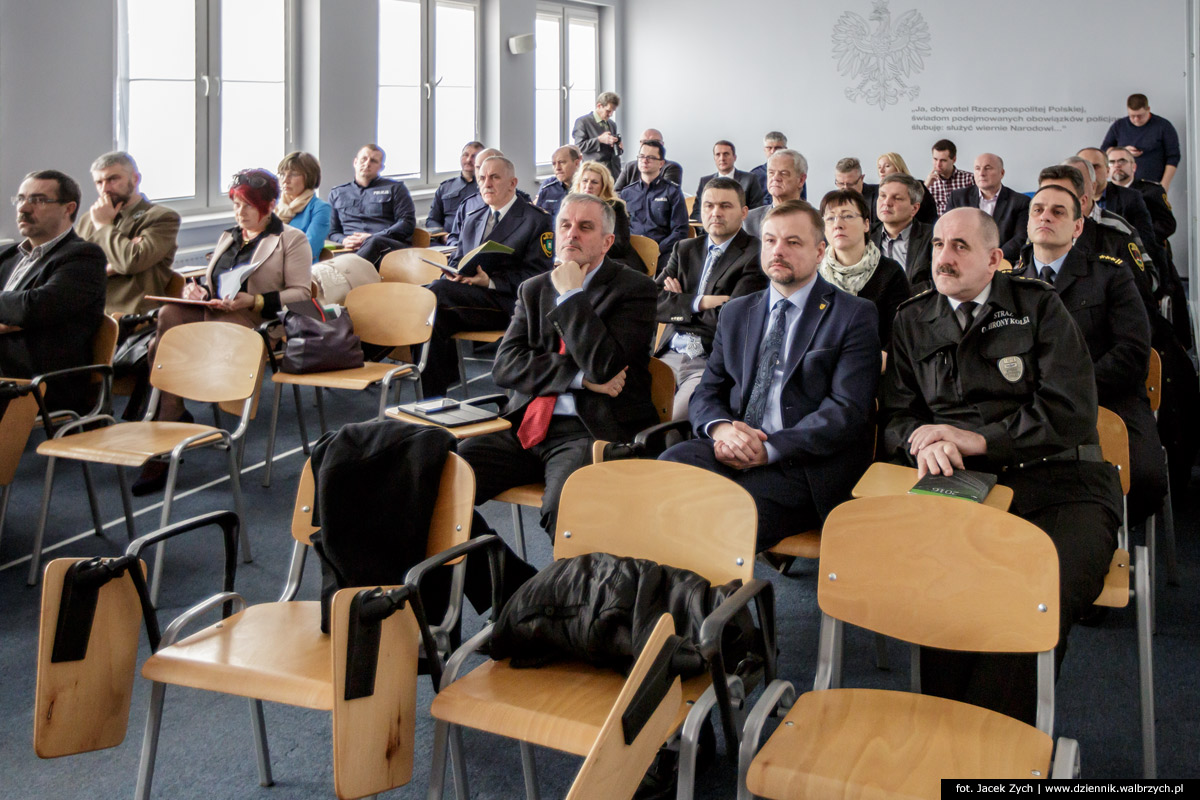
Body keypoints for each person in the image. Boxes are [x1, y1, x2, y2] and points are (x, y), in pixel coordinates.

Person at [880, 207, 1120, 726]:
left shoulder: (1040, 307)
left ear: (994, 259)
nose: (943, 257)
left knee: (1031, 598)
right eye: (939, 244)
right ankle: (951, 742)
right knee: (939, 594)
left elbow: (1071, 411)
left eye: (960, 247)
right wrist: (918, 437)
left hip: (1062, 481)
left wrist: (978, 440)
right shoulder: (912, 319)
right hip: (963, 486)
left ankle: (991, 751)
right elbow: (897, 416)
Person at [456, 192, 658, 610]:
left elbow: (607, 366)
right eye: (565, 225)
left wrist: (571, 298)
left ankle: (577, 615)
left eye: (585, 228)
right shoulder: (533, 289)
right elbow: (506, 366)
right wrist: (578, 377)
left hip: (590, 429)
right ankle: (512, 589)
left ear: (606, 241)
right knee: (446, 479)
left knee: (563, 506)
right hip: (527, 423)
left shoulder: (635, 289)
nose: (571, 235)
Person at [659, 201, 880, 551]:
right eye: (770, 240)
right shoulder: (736, 311)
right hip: (732, 449)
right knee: (666, 472)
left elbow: (846, 410)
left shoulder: (854, 314)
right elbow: (708, 391)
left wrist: (770, 449)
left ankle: (708, 601)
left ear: (820, 251)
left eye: (793, 242)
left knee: (719, 518)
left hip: (801, 464)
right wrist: (723, 430)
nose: (778, 250)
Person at [135, 168, 312, 492]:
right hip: (216, 312)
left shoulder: (291, 239)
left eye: (247, 205)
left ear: (270, 205)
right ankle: (170, 415)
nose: (239, 212)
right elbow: (212, 282)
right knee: (170, 313)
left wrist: (255, 299)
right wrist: (198, 291)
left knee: (169, 347)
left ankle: (168, 422)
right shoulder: (228, 236)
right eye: (235, 204)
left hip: (256, 322)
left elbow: (301, 295)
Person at [1013, 185, 1166, 522]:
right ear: (1027, 223)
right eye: (1037, 210)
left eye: (1058, 211)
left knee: (1144, 478)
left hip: (1108, 397)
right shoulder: (1009, 283)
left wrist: (1070, 388)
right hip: (1030, 403)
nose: (1045, 217)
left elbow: (1132, 353)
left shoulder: (1110, 274)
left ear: (1078, 227)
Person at [421, 156, 554, 397]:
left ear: (513, 183)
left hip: (510, 303)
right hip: (469, 298)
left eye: (494, 177)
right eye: (482, 178)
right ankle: (432, 398)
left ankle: (432, 389)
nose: (486, 184)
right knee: (430, 306)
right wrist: (454, 274)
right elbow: (457, 260)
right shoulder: (474, 217)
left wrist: (490, 282)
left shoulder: (537, 220)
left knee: (435, 294)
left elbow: (539, 277)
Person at [656, 177, 766, 420]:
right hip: (668, 355)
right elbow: (652, 301)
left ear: (744, 212)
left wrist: (679, 301)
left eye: (725, 206)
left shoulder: (755, 254)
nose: (716, 212)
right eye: (709, 205)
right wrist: (699, 302)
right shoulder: (684, 249)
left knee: (672, 420)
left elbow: (730, 319)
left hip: (708, 361)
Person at [1, 170, 105, 413]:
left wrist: (21, 314)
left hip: (42, 380)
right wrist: (13, 315)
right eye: (21, 199)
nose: (23, 209)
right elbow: (23, 309)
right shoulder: (8, 255)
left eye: (38, 200)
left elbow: (34, 307)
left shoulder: (82, 257)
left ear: (68, 208)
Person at [75, 151, 180, 315]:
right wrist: (112, 267)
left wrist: (103, 226)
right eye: (99, 182)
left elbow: (130, 262)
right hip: (86, 309)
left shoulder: (161, 217)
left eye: (113, 179)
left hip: (130, 315)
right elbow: (73, 270)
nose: (105, 189)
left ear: (135, 179)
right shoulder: (89, 218)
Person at [819, 189, 909, 355]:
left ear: (866, 224)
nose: (838, 224)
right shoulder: (814, 273)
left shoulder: (890, 272)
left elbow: (897, 338)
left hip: (874, 365)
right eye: (830, 218)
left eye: (847, 216)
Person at [327, 144, 415, 266]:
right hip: (349, 249)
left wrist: (372, 237)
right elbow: (332, 231)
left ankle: (343, 272)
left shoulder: (396, 188)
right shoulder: (337, 193)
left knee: (374, 241)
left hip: (386, 247)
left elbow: (407, 223)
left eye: (373, 161)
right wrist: (344, 240)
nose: (367, 164)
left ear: (381, 167)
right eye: (364, 159)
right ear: (355, 162)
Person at [618, 139, 689, 273]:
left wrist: (658, 249)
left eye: (651, 158)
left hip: (662, 251)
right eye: (642, 156)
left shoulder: (672, 191)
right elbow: (621, 228)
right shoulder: (627, 193)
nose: (645, 161)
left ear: (661, 163)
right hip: (632, 251)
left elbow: (680, 230)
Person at [946, 153, 1029, 263]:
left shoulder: (1020, 202)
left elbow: (1020, 238)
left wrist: (992, 258)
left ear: (1002, 173)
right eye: (977, 168)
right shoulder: (958, 198)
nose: (981, 173)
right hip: (963, 260)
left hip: (1001, 262)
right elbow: (947, 231)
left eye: (988, 168)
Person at [1076, 147, 1157, 251]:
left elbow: (1145, 240)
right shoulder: (1068, 200)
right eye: (1085, 168)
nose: (1090, 173)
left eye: (1095, 167)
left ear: (1107, 171)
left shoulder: (1130, 198)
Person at [1100, 93, 1180, 191]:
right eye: (1132, 116)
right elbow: (1104, 151)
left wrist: (1164, 185)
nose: (1136, 119)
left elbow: (1173, 157)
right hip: (1123, 186)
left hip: (1152, 184)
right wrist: (1124, 151)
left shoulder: (1163, 126)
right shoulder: (1119, 125)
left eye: (1140, 116)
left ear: (1148, 109)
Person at [570, 160, 637, 270]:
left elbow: (620, 245)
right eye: (585, 181)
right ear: (579, 184)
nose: (588, 186)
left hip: (616, 261)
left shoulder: (615, 207)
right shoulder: (571, 207)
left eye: (594, 182)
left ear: (603, 186)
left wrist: (588, 252)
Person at [870, 174, 933, 290]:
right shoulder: (864, 236)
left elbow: (935, 284)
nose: (887, 203)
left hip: (916, 304)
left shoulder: (932, 237)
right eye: (883, 196)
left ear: (914, 208)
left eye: (897, 198)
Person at [1107, 146, 1176, 247]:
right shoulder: (1102, 194)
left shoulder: (1152, 191)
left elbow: (1167, 224)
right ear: (1107, 169)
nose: (1117, 165)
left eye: (1122, 161)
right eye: (1112, 162)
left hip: (1146, 251)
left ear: (1133, 167)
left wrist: (1139, 240)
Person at [276, 151, 331, 262]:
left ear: (309, 177)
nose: (285, 180)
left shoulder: (320, 208)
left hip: (300, 269)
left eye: (293, 174)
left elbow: (308, 250)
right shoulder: (274, 206)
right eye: (282, 174)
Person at [690, 140, 766, 220]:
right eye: (718, 155)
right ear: (714, 158)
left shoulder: (750, 179)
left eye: (726, 154)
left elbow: (757, 211)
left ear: (734, 157)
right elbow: (696, 213)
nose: (722, 158)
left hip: (741, 228)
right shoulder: (705, 182)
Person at [743, 149, 807, 239]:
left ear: (801, 180)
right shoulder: (749, 220)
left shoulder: (817, 220)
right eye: (771, 173)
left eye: (784, 173)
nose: (775, 178)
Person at [425, 141, 484, 235]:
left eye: (474, 156)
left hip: (475, 240)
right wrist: (443, 235)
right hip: (446, 242)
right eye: (466, 155)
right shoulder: (445, 187)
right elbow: (432, 220)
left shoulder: (486, 188)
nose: (469, 159)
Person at [571, 91, 623, 180]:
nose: (611, 114)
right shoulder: (583, 122)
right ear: (599, 106)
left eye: (613, 111)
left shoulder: (612, 124)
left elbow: (614, 152)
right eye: (608, 111)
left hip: (614, 173)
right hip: (594, 173)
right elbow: (579, 147)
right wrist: (599, 140)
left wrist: (618, 147)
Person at [877, 151, 937, 225]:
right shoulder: (877, 191)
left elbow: (930, 216)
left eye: (887, 166)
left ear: (898, 167)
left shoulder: (918, 186)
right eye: (879, 167)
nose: (881, 171)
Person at [613, 129, 683, 191]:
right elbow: (616, 192)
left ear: (662, 144)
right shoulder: (630, 166)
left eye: (654, 142)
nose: (648, 145)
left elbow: (665, 195)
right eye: (644, 142)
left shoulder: (671, 167)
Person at [924, 138, 975, 217]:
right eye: (935, 159)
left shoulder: (969, 179)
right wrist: (925, 186)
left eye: (943, 160)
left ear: (954, 159)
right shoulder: (928, 183)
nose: (938, 164)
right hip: (937, 226)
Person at [751, 132, 802, 200]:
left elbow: (802, 199)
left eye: (777, 148)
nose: (773, 151)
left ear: (785, 149)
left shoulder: (796, 172)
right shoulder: (755, 174)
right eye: (769, 148)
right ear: (764, 150)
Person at [534, 145, 582, 218]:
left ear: (576, 163)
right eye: (554, 164)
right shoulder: (547, 188)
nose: (557, 168)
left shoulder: (586, 187)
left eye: (562, 162)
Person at [834, 157, 878, 227]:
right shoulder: (832, 202)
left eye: (850, 184)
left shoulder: (880, 195)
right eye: (841, 184)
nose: (845, 188)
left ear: (862, 178)